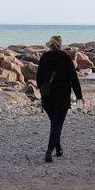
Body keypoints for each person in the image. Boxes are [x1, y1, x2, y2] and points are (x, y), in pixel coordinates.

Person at [36, 35, 84, 163]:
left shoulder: (44, 57)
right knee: (57, 126)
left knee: (54, 125)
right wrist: (79, 97)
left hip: (47, 98)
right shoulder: (65, 58)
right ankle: (49, 151)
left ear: (50, 44)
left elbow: (38, 78)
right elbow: (74, 79)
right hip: (62, 98)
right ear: (60, 44)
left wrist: (42, 90)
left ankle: (58, 150)